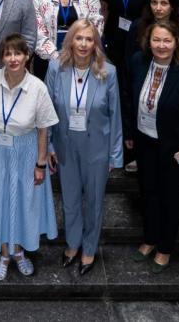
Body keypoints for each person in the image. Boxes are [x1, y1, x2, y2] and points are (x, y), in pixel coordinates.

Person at [0, 34, 58, 280]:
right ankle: (3, 254)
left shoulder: (38, 87)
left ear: (27, 56)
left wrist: (40, 164)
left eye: (18, 53)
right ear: (1, 57)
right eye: (8, 53)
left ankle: (19, 252)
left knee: (21, 201)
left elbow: (43, 129)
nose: (13, 59)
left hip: (25, 150)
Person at [125, 20, 179, 272]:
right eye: (156, 40)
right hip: (144, 141)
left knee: (170, 198)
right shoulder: (138, 62)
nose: (161, 45)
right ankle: (150, 238)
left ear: (176, 43)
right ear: (148, 42)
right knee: (148, 192)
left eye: (167, 41)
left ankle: (165, 247)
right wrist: (129, 133)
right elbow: (129, 98)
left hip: (173, 147)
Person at [46, 20, 122, 275]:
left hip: (97, 148)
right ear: (70, 41)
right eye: (78, 38)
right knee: (69, 200)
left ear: (95, 44)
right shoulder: (56, 68)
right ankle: (72, 243)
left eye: (89, 39)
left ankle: (89, 248)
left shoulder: (108, 72)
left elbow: (115, 115)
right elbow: (47, 110)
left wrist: (115, 155)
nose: (83, 44)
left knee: (94, 201)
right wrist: (49, 145)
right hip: (65, 145)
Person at [96, 0, 156, 101]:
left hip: (137, 43)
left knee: (130, 89)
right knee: (110, 87)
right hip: (112, 40)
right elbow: (103, 10)